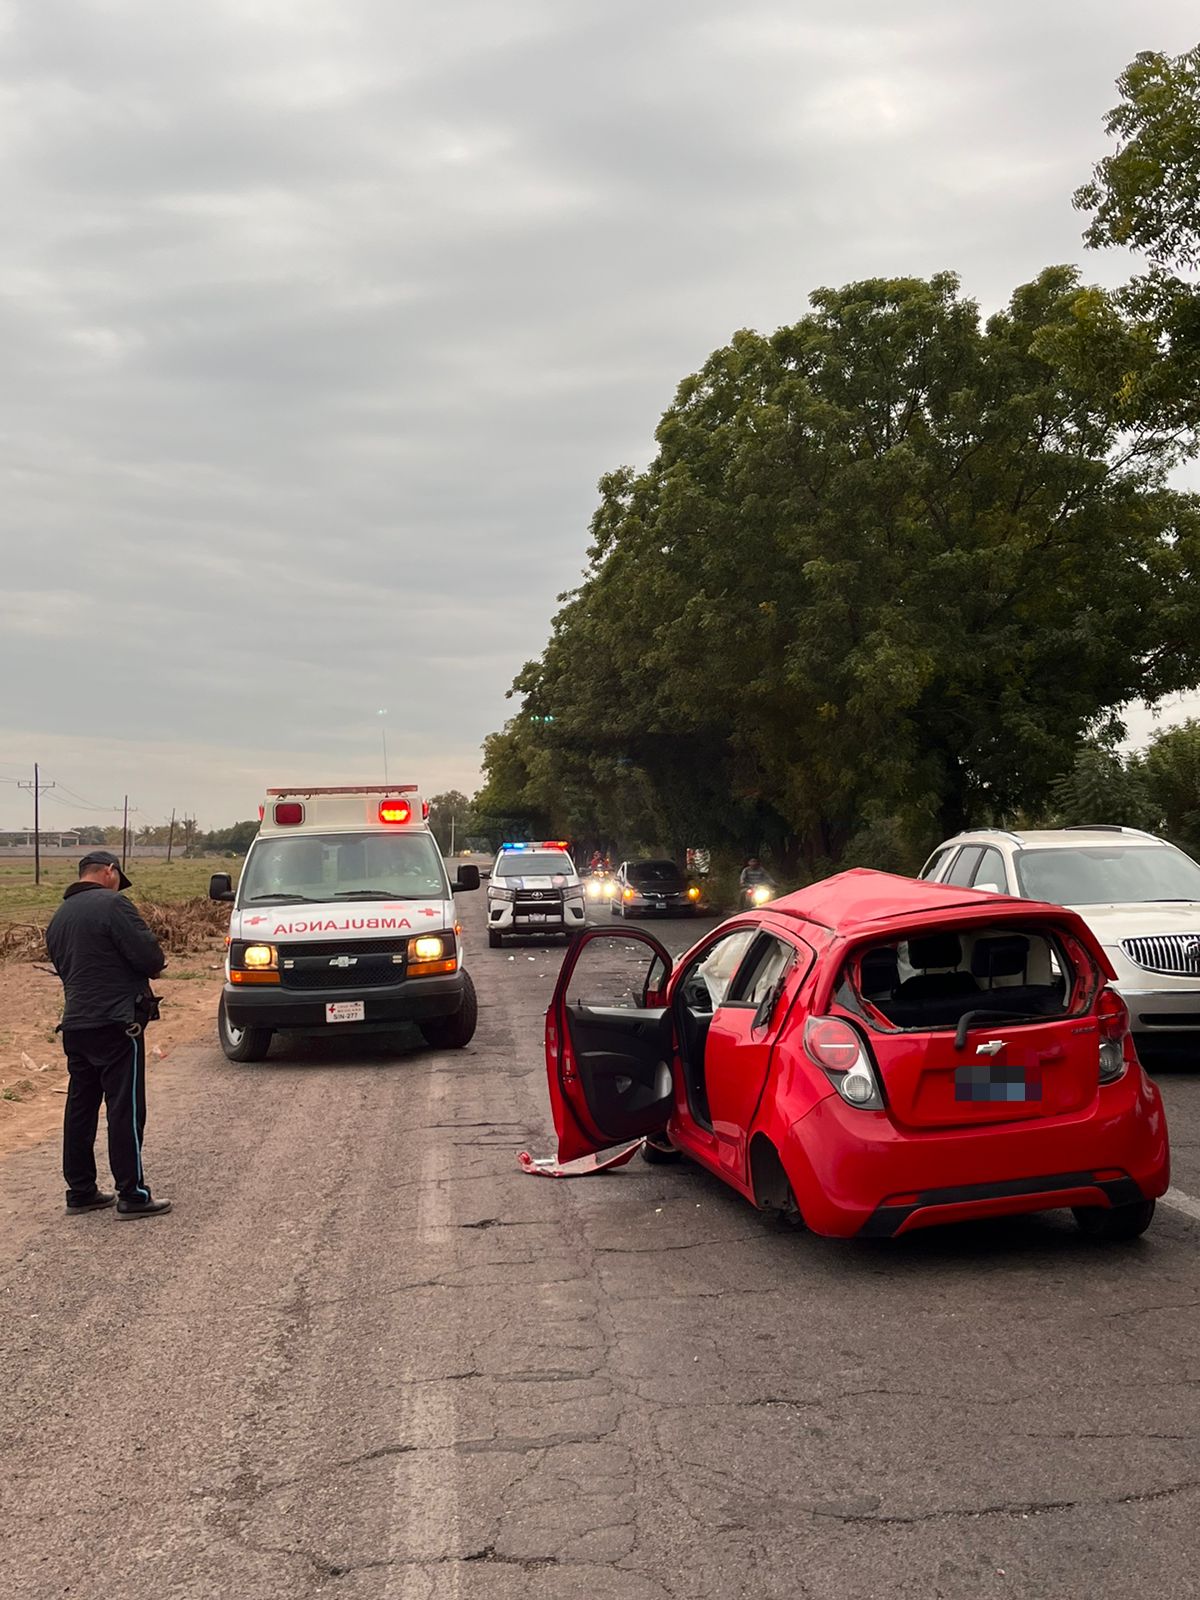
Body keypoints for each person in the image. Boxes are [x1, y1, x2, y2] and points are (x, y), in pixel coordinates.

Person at [45, 851, 171, 1219]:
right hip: (118, 1024)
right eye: (118, 876)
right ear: (109, 871)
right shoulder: (114, 904)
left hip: (76, 1024)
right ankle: (132, 1193)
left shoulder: (59, 917)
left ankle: (80, 1191)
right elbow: (150, 957)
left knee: (80, 1108)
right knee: (125, 1108)